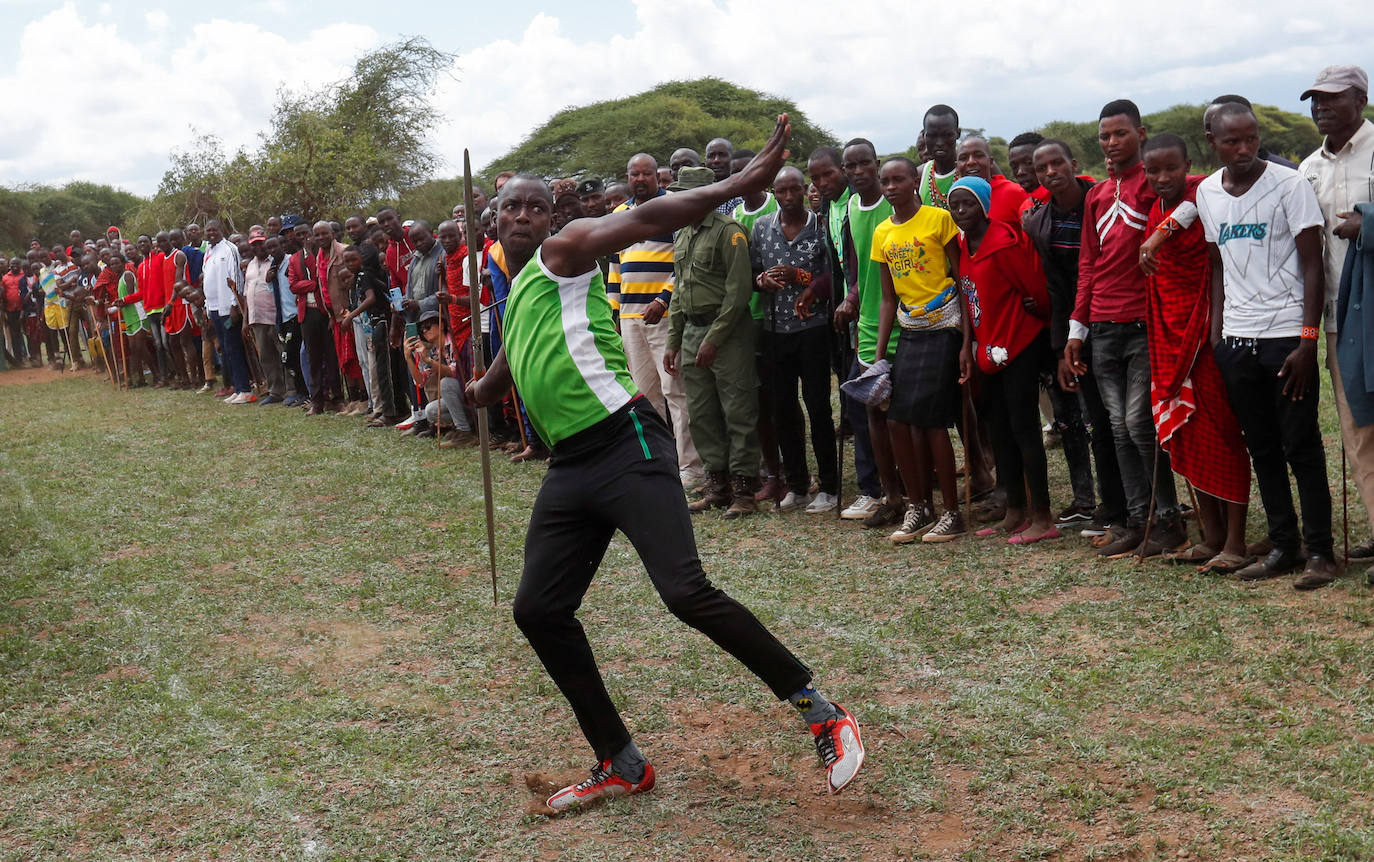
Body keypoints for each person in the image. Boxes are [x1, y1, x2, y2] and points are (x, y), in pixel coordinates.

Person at [467, 116, 864, 813]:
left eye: (535, 204)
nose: (524, 215)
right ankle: (619, 759)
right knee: (538, 609)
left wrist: (738, 183)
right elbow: (505, 369)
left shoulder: (566, 249)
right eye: (512, 207)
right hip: (571, 468)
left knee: (684, 592)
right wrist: (472, 392)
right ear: (494, 220)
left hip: (627, 442)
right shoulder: (519, 287)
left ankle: (820, 709)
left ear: (552, 215)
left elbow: (650, 215)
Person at [1199, 102, 1337, 589]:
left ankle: (1321, 552)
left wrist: (1307, 340)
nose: (1243, 149)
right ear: (1211, 140)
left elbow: (1313, 265)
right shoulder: (1207, 192)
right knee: (1262, 448)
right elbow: (1216, 265)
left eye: (1251, 139)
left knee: (1301, 445)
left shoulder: (1289, 184)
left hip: (1286, 340)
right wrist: (1217, 336)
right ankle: (1284, 545)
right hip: (1236, 341)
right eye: (1231, 141)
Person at [1066, 99, 1185, 559]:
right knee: (1117, 429)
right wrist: (1077, 328)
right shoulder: (1097, 194)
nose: (1112, 143)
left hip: (1143, 323)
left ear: (1141, 133)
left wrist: (1158, 234)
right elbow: (1088, 265)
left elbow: (1196, 197)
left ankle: (1169, 520)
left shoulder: (1155, 182)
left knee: (1139, 424)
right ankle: (1140, 522)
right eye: (1104, 136)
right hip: (1102, 325)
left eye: (1120, 134)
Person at [1136, 134, 1253, 571]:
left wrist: (1156, 240)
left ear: (1188, 165)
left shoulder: (1206, 195)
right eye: (1154, 170)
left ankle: (1237, 544)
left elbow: (1192, 207)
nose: (1163, 178)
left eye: (1171, 168)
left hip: (1207, 336)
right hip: (1169, 340)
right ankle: (1212, 535)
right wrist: (1156, 235)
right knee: (1189, 435)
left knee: (1223, 435)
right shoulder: (1153, 210)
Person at [948, 176, 1056, 543]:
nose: (961, 212)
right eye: (955, 205)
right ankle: (1014, 510)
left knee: (1025, 430)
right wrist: (967, 346)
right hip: (985, 349)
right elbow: (967, 297)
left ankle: (1042, 516)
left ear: (985, 205)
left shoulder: (1006, 241)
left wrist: (1036, 314)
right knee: (998, 430)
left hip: (1018, 345)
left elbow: (1035, 290)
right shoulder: (964, 244)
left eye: (968, 204)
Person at [1028, 140, 1126, 534]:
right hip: (1077, 331)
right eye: (1042, 168)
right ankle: (1112, 507)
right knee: (1099, 421)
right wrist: (1061, 347)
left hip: (1118, 320)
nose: (1051, 172)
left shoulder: (1102, 200)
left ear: (1074, 164)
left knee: (1130, 422)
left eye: (1057, 163)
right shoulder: (1038, 223)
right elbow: (1055, 290)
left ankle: (1147, 503)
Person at [1296, 66, 1374, 566]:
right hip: (1338, 320)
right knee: (1359, 432)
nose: (1321, 107)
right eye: (1314, 100)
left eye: (1332, 98)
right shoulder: (1308, 168)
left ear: (1361, 100)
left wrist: (1370, 221)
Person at [870, 157, 967, 544]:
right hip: (909, 331)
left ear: (915, 181)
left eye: (899, 179)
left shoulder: (939, 220)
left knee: (930, 422)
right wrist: (880, 356)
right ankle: (919, 506)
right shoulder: (882, 232)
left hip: (944, 326)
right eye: (885, 181)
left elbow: (963, 279)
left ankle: (952, 513)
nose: (891, 186)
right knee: (896, 421)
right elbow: (888, 298)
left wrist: (967, 341)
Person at [663, 166, 762, 518]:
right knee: (701, 413)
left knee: (737, 411)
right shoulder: (684, 235)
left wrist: (714, 339)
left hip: (728, 333)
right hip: (692, 330)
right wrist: (673, 340)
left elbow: (738, 294)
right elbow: (678, 292)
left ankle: (744, 490)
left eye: (685, 195)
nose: (679, 201)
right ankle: (716, 484)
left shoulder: (729, 233)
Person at [609, 153, 705, 489]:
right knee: (645, 396)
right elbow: (615, 266)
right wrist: (614, 309)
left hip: (664, 315)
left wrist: (664, 299)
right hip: (630, 316)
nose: (640, 179)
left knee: (675, 392)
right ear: (628, 176)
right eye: (633, 174)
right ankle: (662, 463)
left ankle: (692, 467)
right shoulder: (619, 214)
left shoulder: (671, 209)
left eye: (646, 173)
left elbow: (684, 262)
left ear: (657, 176)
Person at [751, 165, 839, 513]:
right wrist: (762, 281)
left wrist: (798, 275)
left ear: (804, 189)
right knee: (783, 409)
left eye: (794, 190)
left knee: (818, 407)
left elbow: (833, 274)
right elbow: (754, 270)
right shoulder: (761, 227)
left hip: (813, 330)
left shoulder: (821, 226)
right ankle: (798, 484)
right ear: (773, 193)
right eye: (781, 192)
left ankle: (830, 486)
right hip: (775, 330)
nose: (788, 198)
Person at [833, 138, 905, 529]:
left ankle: (913, 492)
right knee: (868, 414)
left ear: (876, 165)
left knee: (901, 417)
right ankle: (882, 492)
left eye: (864, 164)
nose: (858, 172)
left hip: (904, 327)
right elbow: (856, 272)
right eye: (851, 166)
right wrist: (851, 298)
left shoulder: (893, 208)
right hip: (866, 330)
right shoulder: (849, 214)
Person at [808, 145, 882, 520]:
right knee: (856, 399)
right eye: (815, 178)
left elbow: (866, 267)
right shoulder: (832, 208)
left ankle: (878, 487)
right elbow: (842, 267)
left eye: (828, 175)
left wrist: (852, 297)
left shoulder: (864, 203)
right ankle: (875, 486)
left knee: (870, 401)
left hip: (880, 314)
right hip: (850, 317)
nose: (821, 184)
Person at [403, 303, 473, 445]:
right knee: (431, 411)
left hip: (470, 394)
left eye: (428, 327)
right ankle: (462, 426)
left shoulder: (452, 341)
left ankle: (465, 432)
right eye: (422, 330)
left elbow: (454, 373)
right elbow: (421, 381)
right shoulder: (434, 351)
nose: (424, 331)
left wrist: (429, 361)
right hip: (460, 399)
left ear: (441, 325)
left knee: (446, 383)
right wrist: (408, 358)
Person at [201, 220, 252, 402]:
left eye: (214, 230)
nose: (211, 233)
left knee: (234, 347)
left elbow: (236, 277)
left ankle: (245, 389)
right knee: (225, 349)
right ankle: (237, 389)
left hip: (227, 309)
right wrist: (207, 307)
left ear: (222, 231)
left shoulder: (230, 249)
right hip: (214, 309)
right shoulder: (209, 250)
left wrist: (234, 305)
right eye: (208, 231)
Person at [242, 228, 288, 404]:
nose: (259, 247)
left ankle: (292, 390)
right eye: (255, 244)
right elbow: (246, 294)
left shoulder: (276, 261)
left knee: (283, 353)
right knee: (266, 357)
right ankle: (275, 391)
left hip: (276, 316)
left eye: (261, 243)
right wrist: (245, 321)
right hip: (257, 318)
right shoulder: (250, 265)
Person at [953, 135, 1030, 225]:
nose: (971, 162)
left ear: (990, 162)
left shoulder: (1015, 192)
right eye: (963, 158)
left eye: (978, 156)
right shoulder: (955, 198)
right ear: (957, 167)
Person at [919, 105, 961, 210]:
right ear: (924, 136)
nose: (940, 143)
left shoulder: (973, 169)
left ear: (958, 133)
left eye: (947, 135)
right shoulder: (919, 176)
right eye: (932, 136)